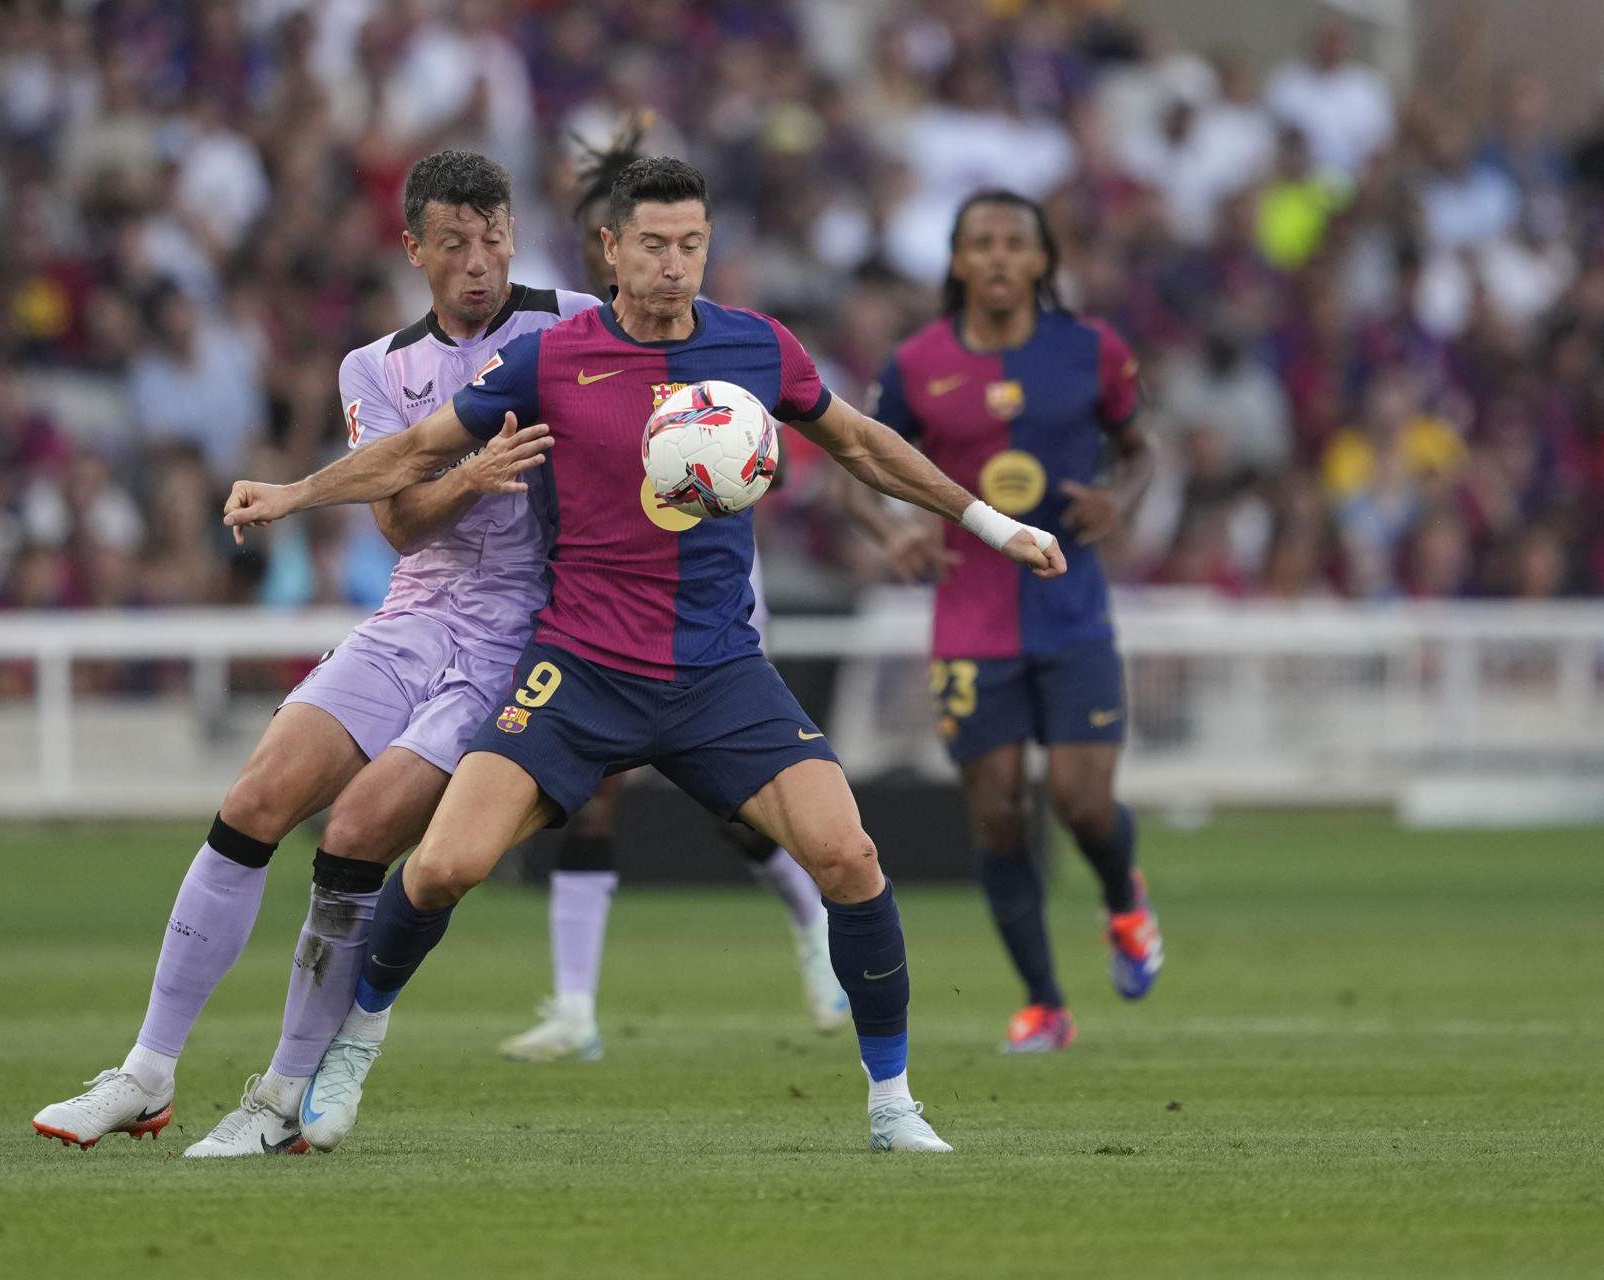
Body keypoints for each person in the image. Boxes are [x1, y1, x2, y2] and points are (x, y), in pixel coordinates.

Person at [223, 157, 1066, 1154]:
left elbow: (863, 444)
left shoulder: (756, 347)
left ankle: (892, 1104)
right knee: (443, 864)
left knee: (850, 855)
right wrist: (293, 492)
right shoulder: (554, 356)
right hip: (577, 669)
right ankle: (356, 1040)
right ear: (610, 250)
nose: (676, 265)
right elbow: (413, 453)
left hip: (717, 673)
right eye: (655, 245)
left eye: (693, 244)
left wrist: (988, 520)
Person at [29, 150, 601, 1155]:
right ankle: (147, 1072)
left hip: (524, 634)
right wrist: (465, 478)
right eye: (455, 242)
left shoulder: (575, 324)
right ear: (413, 246)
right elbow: (401, 522)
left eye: (495, 235)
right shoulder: (375, 366)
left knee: (361, 829)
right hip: (414, 616)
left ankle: (285, 1089)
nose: (479, 260)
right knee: (255, 798)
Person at [500, 122, 846, 1065]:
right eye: (636, 240)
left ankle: (817, 931)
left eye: (682, 243)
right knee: (594, 795)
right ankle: (574, 1006)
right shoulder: (563, 331)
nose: (662, 261)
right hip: (600, 600)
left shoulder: (701, 332)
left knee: (736, 805)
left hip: (705, 597)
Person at [864, 189, 1164, 1054]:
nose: (997, 257)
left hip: (1072, 611)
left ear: (1042, 261)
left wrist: (1122, 500)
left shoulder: (1092, 351)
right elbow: (860, 466)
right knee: (997, 815)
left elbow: (1143, 449)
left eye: (1014, 243)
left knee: (1081, 802)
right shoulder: (919, 363)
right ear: (957, 262)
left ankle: (1124, 901)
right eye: (980, 243)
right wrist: (895, 533)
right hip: (970, 617)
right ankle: (1045, 1004)